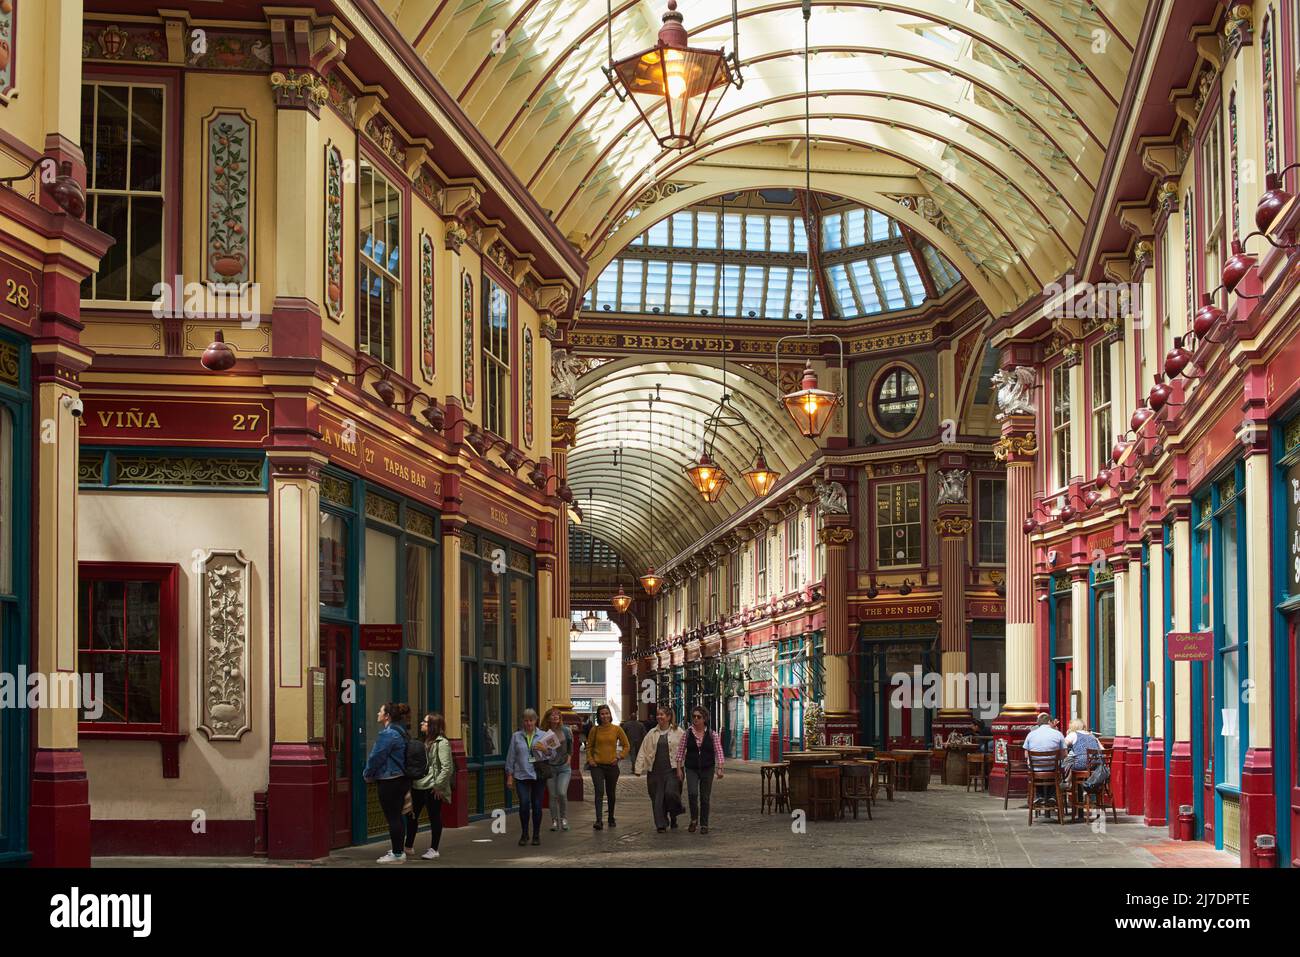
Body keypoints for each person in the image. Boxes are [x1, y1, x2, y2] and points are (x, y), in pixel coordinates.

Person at [363, 701, 412, 864]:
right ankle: (399, 849)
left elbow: (377, 756)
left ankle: (397, 854)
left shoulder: (388, 734)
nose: (378, 713)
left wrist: (367, 773)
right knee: (398, 816)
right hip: (401, 778)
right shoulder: (401, 731)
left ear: (387, 716)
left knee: (393, 817)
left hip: (389, 780)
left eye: (380, 711)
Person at [404, 712, 453, 860]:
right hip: (417, 785)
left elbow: (447, 767)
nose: (421, 724)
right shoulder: (423, 741)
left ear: (433, 726)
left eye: (425, 722)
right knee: (411, 815)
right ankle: (408, 846)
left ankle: (434, 849)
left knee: (434, 817)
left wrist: (438, 786)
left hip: (432, 787)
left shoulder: (442, 743)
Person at [505, 708, 554, 846]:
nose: (528, 723)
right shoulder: (516, 736)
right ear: (523, 722)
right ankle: (525, 833)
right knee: (524, 804)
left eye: (531, 720)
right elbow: (511, 757)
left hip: (538, 774)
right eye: (526, 721)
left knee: (537, 805)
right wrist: (509, 775)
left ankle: (536, 835)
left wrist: (546, 750)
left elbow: (554, 755)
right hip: (521, 774)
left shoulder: (544, 735)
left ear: (536, 721)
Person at [635, 705, 685, 833]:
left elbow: (685, 748)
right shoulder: (651, 733)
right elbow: (643, 750)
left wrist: (685, 764)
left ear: (668, 717)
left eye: (662, 714)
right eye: (658, 714)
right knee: (657, 799)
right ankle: (661, 824)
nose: (659, 717)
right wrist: (638, 768)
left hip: (673, 769)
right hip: (655, 771)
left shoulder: (678, 732)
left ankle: (674, 814)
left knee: (671, 794)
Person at [675, 706, 724, 834]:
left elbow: (719, 752)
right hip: (691, 768)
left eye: (699, 717)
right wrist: (679, 769)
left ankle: (704, 824)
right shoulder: (687, 733)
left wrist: (720, 768)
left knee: (705, 797)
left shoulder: (712, 734)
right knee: (692, 794)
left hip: (707, 768)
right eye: (694, 717)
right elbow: (680, 752)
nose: (696, 719)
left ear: (704, 719)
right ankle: (693, 819)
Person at [585, 704, 631, 830]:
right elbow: (589, 746)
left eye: (606, 713)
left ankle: (611, 817)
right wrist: (590, 759)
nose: (605, 716)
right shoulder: (595, 730)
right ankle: (599, 820)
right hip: (597, 766)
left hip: (612, 765)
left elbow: (627, 746)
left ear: (610, 715)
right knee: (599, 791)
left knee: (611, 793)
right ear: (598, 716)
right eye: (602, 714)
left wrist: (619, 757)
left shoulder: (616, 729)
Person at [1022, 712, 1066, 807]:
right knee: (1055, 770)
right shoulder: (1058, 734)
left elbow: (1026, 755)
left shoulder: (1031, 734)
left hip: (1035, 770)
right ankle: (1052, 796)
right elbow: (1064, 754)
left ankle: (1039, 796)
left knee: (1038, 771)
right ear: (1049, 721)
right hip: (1052, 769)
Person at [541, 706, 573, 832]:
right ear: (548, 717)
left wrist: (569, 761)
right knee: (553, 795)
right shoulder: (544, 732)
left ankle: (564, 818)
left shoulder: (566, 731)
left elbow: (571, 748)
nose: (555, 717)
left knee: (561, 792)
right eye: (553, 715)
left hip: (564, 767)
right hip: (550, 768)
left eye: (558, 715)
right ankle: (554, 820)